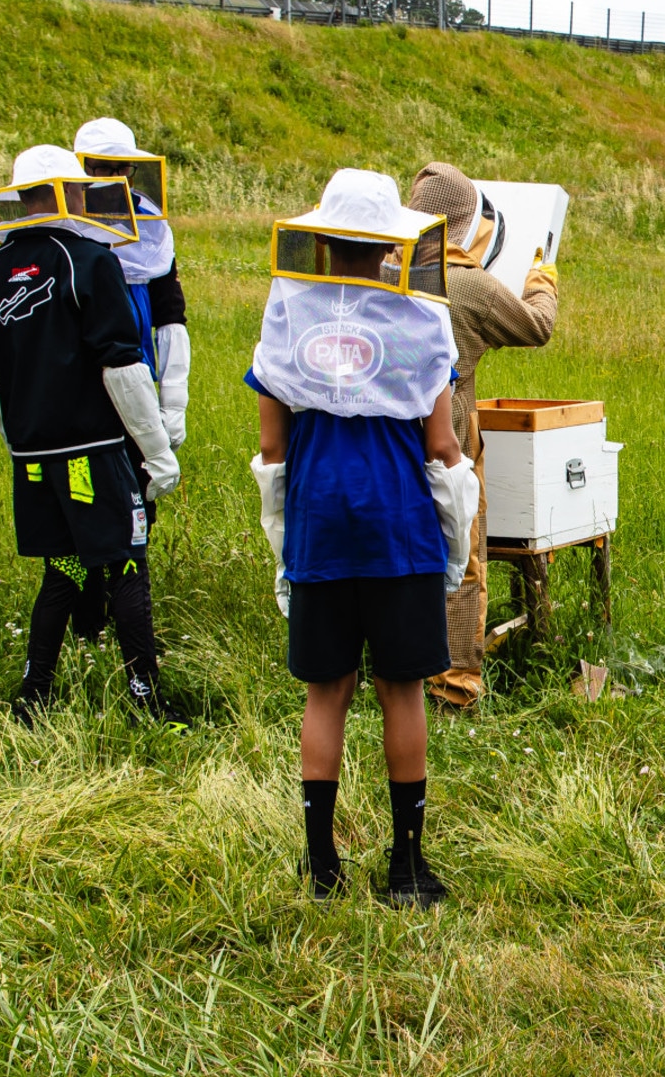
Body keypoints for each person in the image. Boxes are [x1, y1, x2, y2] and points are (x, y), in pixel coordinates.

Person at [249, 168, 475, 906]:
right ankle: (406, 867)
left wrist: (285, 536)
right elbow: (441, 442)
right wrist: (457, 528)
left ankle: (320, 868)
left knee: (327, 690)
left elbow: (273, 444)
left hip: (319, 515)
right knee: (402, 688)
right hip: (396, 520)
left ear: (322, 237)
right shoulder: (418, 314)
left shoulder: (290, 307)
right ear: (387, 244)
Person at [0, 145, 181, 724]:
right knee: (128, 564)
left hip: (34, 458)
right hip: (97, 452)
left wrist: (22, 447)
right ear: (70, 192)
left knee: (62, 569)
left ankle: (35, 695)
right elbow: (123, 367)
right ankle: (145, 701)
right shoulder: (89, 260)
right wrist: (157, 453)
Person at [405, 163, 557, 709]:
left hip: (382, 439)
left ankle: (397, 663)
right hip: (449, 436)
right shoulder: (468, 285)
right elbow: (536, 325)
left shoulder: (384, 268)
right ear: (467, 224)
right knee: (461, 554)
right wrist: (542, 276)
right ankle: (455, 687)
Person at [70, 118, 191, 639]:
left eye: (118, 166)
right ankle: (85, 614)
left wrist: (174, 400)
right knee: (79, 506)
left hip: (139, 384)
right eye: (99, 167)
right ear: (81, 169)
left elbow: (170, 315)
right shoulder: (65, 225)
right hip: (78, 394)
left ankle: (128, 612)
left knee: (140, 502)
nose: (110, 176)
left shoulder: (151, 225)